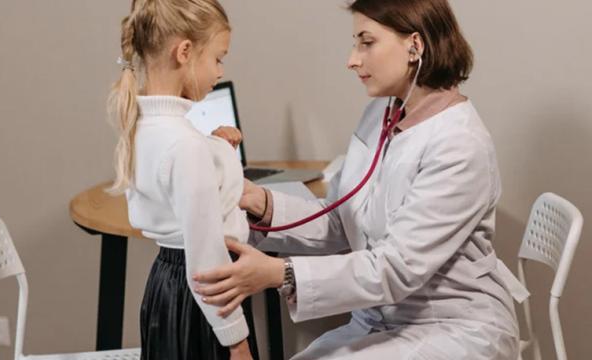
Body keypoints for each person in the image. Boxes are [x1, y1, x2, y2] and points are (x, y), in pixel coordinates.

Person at [193, 0, 528, 358]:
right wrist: (257, 201)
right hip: (382, 320)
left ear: (415, 45)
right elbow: (342, 219)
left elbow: (396, 267)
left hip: (451, 326)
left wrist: (280, 273)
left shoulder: (459, 144)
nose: (352, 59)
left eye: (366, 42)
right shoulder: (381, 113)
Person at [106, 0, 257, 359]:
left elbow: (169, 192)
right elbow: (206, 259)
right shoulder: (186, 145)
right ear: (185, 52)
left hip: (166, 287)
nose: (220, 71)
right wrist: (238, 344)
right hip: (204, 298)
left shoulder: (143, 126)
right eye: (218, 58)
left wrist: (214, 149)